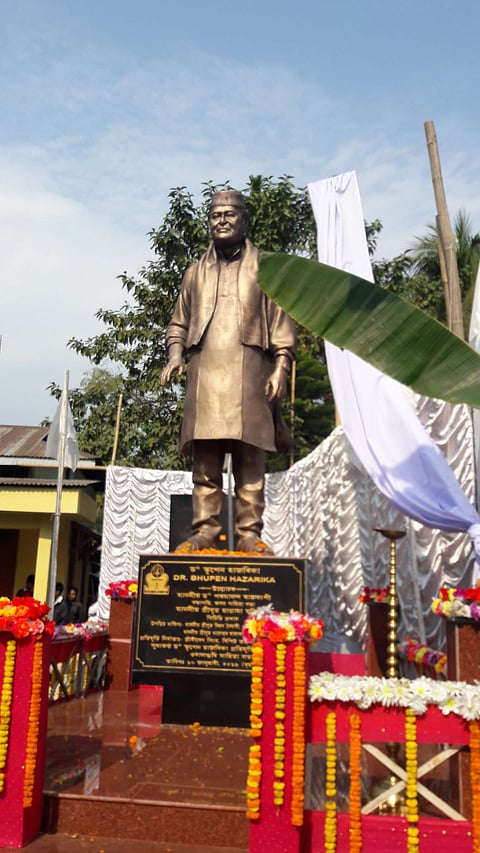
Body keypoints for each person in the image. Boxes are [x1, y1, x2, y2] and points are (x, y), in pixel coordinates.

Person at [160, 189, 296, 553]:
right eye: (215, 214)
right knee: (206, 464)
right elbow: (178, 324)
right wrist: (175, 355)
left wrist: (280, 367)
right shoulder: (194, 273)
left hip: (251, 373)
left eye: (229, 214)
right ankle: (204, 531)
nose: (221, 220)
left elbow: (282, 324)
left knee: (251, 461)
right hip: (205, 374)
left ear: (244, 219)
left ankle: (249, 535)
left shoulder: (265, 269)